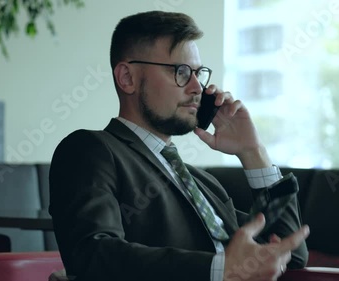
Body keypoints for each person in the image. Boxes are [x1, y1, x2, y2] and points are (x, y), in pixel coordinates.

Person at [49, 10, 309, 281]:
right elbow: (92, 254)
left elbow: (293, 254)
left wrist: (252, 152)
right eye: (181, 71)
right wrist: (220, 269)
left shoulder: (203, 183)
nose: (197, 87)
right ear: (127, 78)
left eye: (199, 73)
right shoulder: (91, 150)